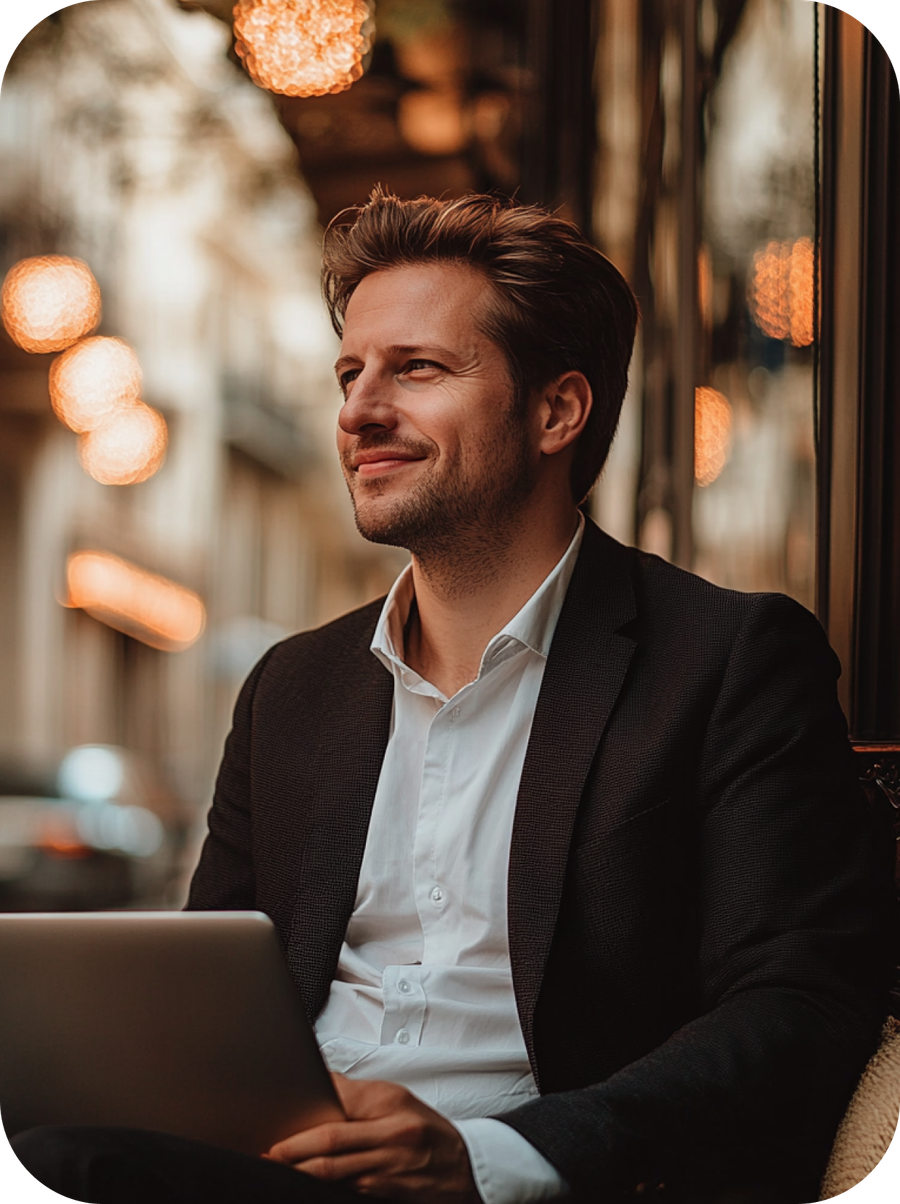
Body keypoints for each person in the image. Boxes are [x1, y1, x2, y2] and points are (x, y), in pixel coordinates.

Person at [12, 191, 894, 1204]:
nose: (359, 411)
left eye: (417, 369)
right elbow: (201, 995)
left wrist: (491, 1160)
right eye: (350, 373)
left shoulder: (730, 659)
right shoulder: (289, 691)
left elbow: (803, 999)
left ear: (558, 410)